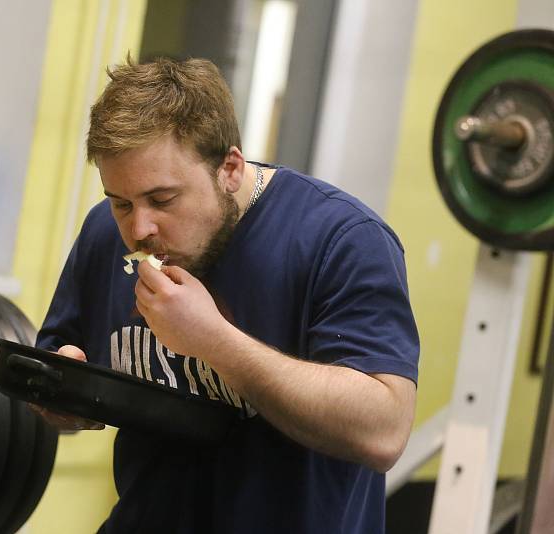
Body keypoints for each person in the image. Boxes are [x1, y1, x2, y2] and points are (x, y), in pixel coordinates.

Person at [35, 57, 419, 533]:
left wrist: (213, 340)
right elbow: (63, 374)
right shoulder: (104, 233)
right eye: (121, 202)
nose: (139, 228)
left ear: (230, 168)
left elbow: (384, 431)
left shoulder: (341, 240)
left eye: (162, 200)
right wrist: (64, 397)